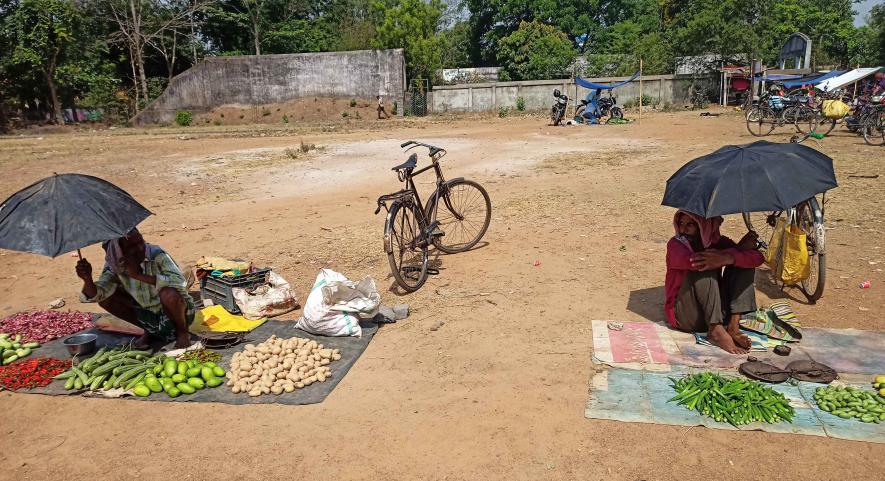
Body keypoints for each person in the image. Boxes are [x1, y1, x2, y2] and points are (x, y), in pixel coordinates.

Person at [664, 211, 764, 354]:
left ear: (703, 227)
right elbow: (697, 261)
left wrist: (730, 257)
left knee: (743, 265)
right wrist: (735, 251)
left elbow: (758, 258)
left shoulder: (717, 242)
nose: (682, 229)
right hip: (687, 317)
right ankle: (715, 330)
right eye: (680, 224)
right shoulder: (675, 245)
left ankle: (733, 326)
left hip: (719, 311)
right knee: (706, 263)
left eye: (690, 224)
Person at [76, 228, 194, 348]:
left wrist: (138, 276)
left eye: (140, 241)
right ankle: (149, 330)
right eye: (131, 247)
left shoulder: (156, 254)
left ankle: (183, 333)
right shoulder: (116, 265)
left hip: (177, 312)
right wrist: (87, 279)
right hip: (146, 314)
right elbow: (98, 294)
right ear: (120, 252)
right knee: (106, 299)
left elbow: (180, 282)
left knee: (168, 293)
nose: (139, 248)